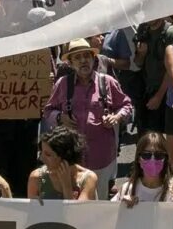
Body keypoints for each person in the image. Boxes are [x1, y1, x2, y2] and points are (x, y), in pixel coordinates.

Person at [42, 39, 132, 196]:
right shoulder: (62, 84)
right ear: (70, 63)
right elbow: (48, 111)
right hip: (71, 160)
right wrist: (60, 118)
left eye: (86, 56)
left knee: (100, 204)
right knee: (73, 202)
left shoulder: (107, 82)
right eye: (77, 57)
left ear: (93, 59)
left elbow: (127, 106)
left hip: (102, 157)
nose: (83, 60)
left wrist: (116, 117)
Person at [114, 131, 173, 207]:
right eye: (146, 155)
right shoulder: (128, 189)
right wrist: (121, 207)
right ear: (138, 159)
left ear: (165, 159)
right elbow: (107, 215)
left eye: (159, 155)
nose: (152, 160)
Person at [28, 126, 98, 201]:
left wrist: (66, 186)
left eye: (48, 155)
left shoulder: (88, 178)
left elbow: (77, 211)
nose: (41, 158)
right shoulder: (37, 178)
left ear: (65, 157)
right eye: (41, 152)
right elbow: (33, 210)